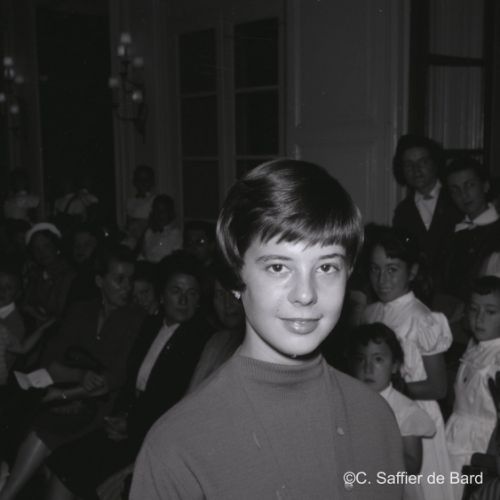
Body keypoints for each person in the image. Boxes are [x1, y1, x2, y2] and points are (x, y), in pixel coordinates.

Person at [131, 159, 404, 500]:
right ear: (235, 277)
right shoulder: (178, 446)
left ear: (348, 274)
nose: (305, 294)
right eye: (278, 267)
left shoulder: (376, 417)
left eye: (326, 267)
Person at [45, 251, 213, 500]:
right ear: (162, 295)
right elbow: (130, 380)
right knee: (61, 463)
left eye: (192, 293)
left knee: (82, 472)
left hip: (157, 436)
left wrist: (132, 424)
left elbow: (174, 401)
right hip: (129, 423)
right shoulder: (151, 325)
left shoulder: (200, 340)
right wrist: (120, 417)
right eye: (176, 291)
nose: (183, 300)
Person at [0, 245, 145, 500]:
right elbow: (51, 362)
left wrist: (65, 392)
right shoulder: (81, 310)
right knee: (26, 425)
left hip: (101, 409)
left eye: (130, 280)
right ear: (100, 281)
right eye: (119, 279)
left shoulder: (136, 319)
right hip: (66, 397)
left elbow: (114, 378)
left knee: (42, 433)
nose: (127, 287)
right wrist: (79, 377)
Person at [362, 226, 454, 500]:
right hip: (376, 413)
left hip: (415, 416)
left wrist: (393, 391)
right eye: (375, 269)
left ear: (412, 272)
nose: (382, 279)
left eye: (392, 269)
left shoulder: (421, 319)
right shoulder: (370, 314)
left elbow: (438, 387)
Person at [349, 322, 436, 500]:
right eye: (360, 359)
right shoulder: (346, 402)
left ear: (395, 365)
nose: (368, 368)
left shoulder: (405, 410)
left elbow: (412, 465)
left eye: (378, 359)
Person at [445, 276, 500, 500]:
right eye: (474, 309)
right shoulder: (475, 347)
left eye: (490, 311)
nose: (479, 318)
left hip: (480, 444)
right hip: (455, 434)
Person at [392, 135, 461, 280]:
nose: (416, 169)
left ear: (435, 163)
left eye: (423, 162)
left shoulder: (457, 198)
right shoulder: (402, 211)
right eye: (408, 164)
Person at [141, 195, 182, 263]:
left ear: (170, 213)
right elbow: (144, 255)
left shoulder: (175, 234)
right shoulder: (149, 232)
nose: (159, 215)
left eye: (163, 211)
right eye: (157, 211)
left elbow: (176, 259)